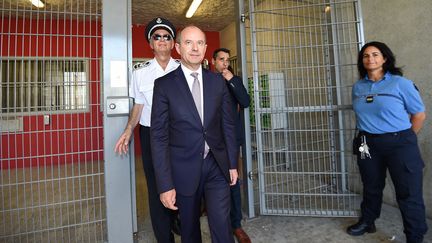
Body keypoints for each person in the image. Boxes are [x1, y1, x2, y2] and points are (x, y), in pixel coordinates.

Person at [150, 25, 238, 243]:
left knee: (221, 225)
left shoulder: (218, 82)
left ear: (206, 47)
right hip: (183, 168)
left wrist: (232, 164)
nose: (195, 48)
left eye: (200, 43)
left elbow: (227, 125)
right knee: (189, 230)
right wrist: (165, 184)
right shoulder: (164, 85)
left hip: (216, 165)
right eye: (189, 42)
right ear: (178, 48)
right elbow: (159, 137)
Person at [348, 41, 427, 243]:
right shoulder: (358, 87)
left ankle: (415, 236)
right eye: (366, 55)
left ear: (385, 58)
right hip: (366, 143)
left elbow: (419, 115)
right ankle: (368, 221)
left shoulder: (401, 84)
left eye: (375, 54)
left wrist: (405, 139)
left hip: (399, 143)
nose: (370, 59)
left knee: (408, 192)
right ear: (361, 61)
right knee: (370, 184)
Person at [114, 17, 180, 243]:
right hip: (152, 134)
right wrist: (128, 130)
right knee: (156, 187)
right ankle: (165, 237)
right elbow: (138, 106)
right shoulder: (140, 73)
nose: (162, 40)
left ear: (173, 43)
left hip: (181, 135)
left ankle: (178, 219)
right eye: (156, 37)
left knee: (183, 181)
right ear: (151, 44)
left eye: (166, 37)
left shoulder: (183, 69)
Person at [212, 48, 251, 243]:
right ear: (213, 61)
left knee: (233, 181)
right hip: (210, 141)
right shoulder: (207, 80)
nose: (225, 63)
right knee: (210, 180)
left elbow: (245, 101)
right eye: (221, 60)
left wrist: (231, 79)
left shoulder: (234, 81)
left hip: (230, 141)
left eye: (227, 60)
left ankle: (236, 224)